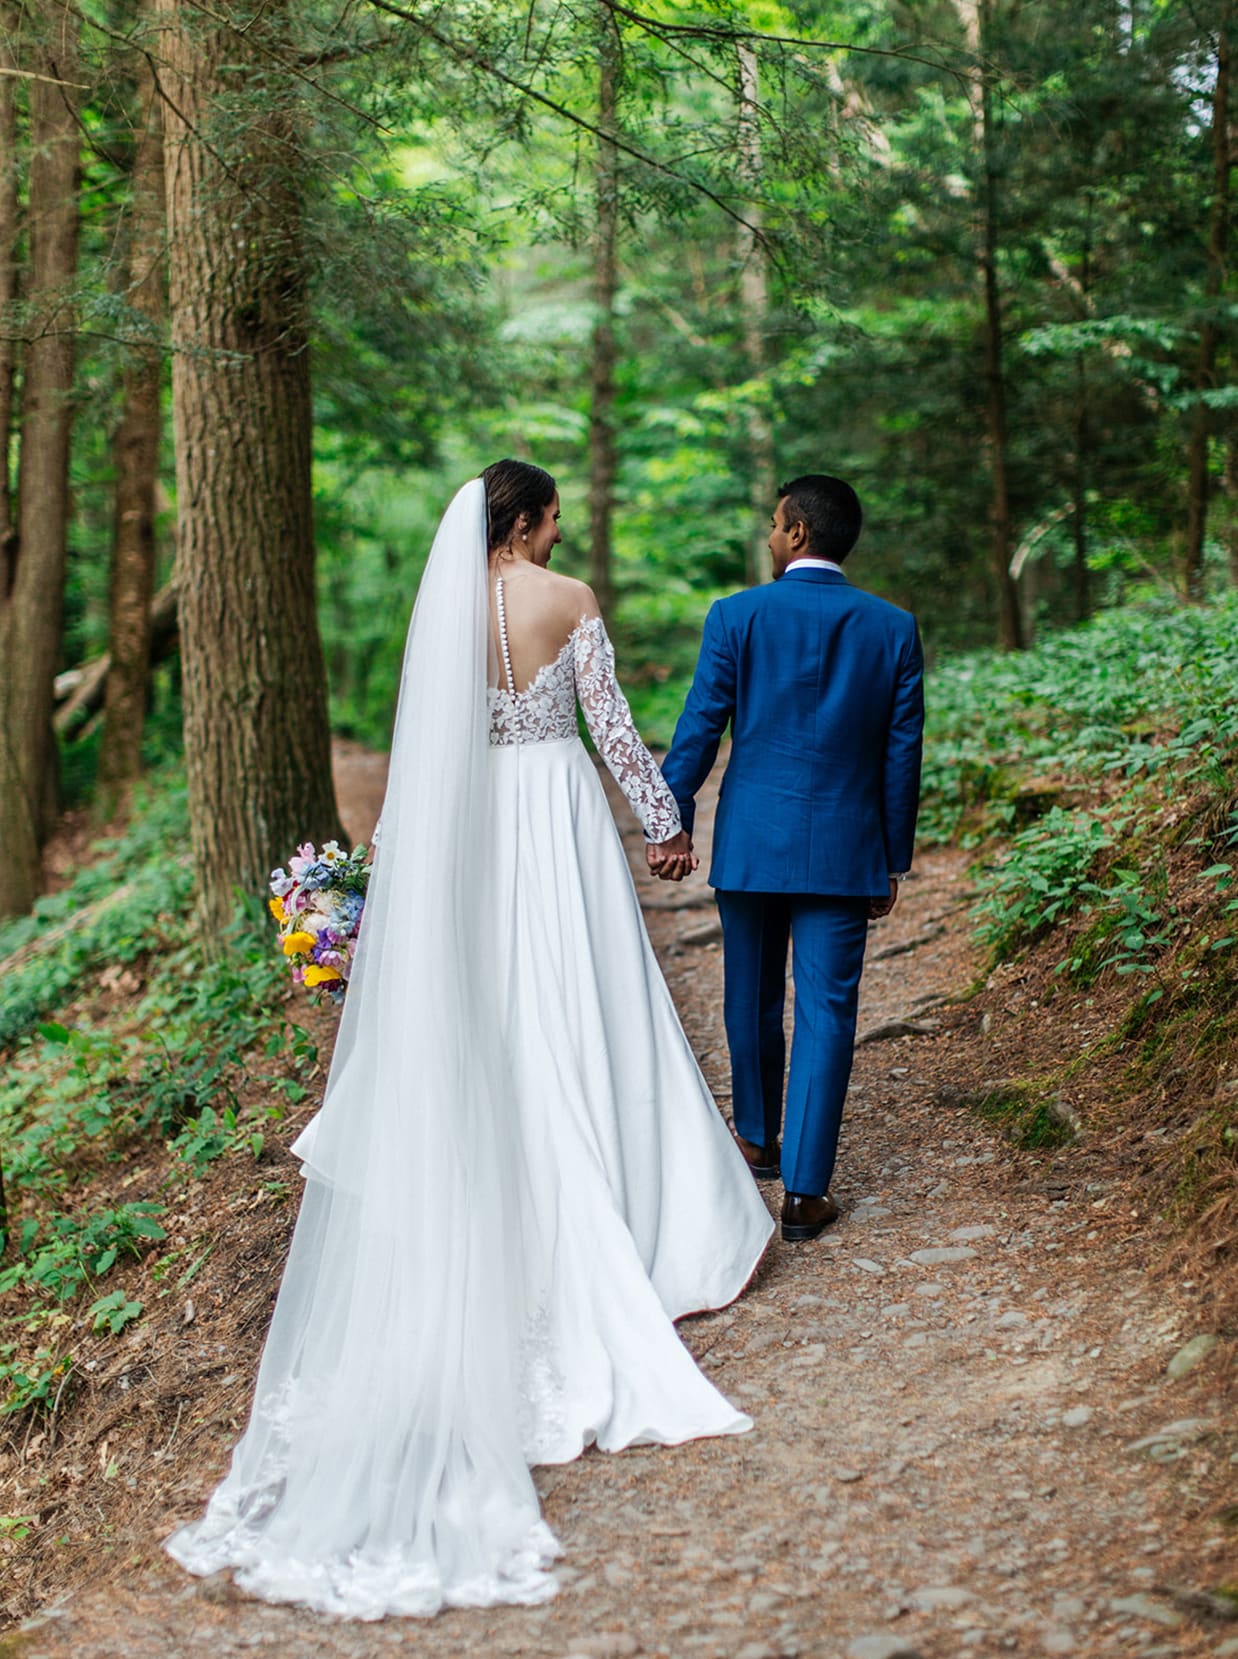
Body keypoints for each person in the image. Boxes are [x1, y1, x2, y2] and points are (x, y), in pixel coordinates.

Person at [165, 463, 773, 1619]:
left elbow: (418, 755)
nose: (558, 532)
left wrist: (386, 872)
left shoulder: (446, 612)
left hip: (472, 835)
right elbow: (612, 732)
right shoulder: (569, 599)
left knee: (498, 1022)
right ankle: (637, 1224)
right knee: (586, 1011)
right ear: (532, 522)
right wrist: (662, 824)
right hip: (554, 823)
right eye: (552, 518)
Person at [653, 475, 924, 1243]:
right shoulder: (892, 628)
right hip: (845, 850)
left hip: (752, 844)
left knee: (751, 994)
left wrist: (669, 818)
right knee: (829, 1011)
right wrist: (890, 859)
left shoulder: (737, 615)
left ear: (799, 532)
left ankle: (757, 1136)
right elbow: (902, 754)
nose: (771, 536)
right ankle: (805, 1191)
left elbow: (700, 729)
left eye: (776, 524)